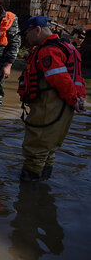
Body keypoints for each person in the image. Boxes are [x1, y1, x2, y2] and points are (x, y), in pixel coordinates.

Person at [17, 16, 85, 182]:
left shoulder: (48, 50)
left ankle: (27, 194)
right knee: (49, 149)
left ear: (37, 30)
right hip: (63, 107)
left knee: (35, 149)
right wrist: (78, 98)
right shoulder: (67, 47)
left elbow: (60, 78)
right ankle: (43, 190)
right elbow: (77, 78)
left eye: (27, 33)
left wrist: (73, 99)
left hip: (51, 106)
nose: (26, 37)